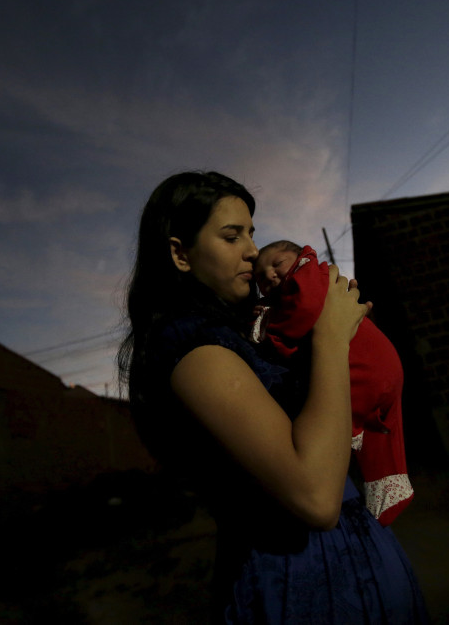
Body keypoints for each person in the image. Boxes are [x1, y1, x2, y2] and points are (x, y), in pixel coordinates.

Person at [117, 171, 428, 623]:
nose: (250, 250)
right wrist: (331, 340)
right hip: (303, 584)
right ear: (180, 254)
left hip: (360, 561)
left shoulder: (241, 336)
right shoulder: (194, 350)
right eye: (230, 236)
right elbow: (316, 497)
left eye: (251, 233)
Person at [252, 240, 413, 527]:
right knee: (384, 444)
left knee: (341, 431)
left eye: (277, 264)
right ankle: (389, 497)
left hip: (365, 369)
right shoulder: (293, 292)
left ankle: (363, 471)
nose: (271, 277)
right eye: (261, 279)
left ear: (300, 256)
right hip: (377, 370)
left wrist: (268, 323)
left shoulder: (309, 276)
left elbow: (305, 313)